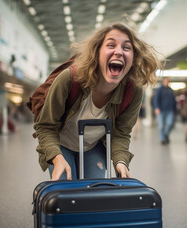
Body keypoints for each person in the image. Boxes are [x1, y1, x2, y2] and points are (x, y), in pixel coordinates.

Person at [34, 23, 161, 181]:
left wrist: (121, 162)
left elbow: (120, 134)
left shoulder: (133, 91)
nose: (119, 51)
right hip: (60, 144)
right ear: (97, 52)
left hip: (93, 146)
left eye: (127, 47)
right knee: (67, 192)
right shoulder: (69, 79)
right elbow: (45, 126)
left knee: (94, 192)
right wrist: (56, 158)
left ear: (133, 59)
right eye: (110, 45)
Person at [153, 77, 177, 145]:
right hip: (161, 110)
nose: (167, 82)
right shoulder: (159, 90)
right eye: (166, 81)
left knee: (170, 123)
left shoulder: (170, 90)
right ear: (163, 81)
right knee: (161, 126)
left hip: (170, 110)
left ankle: (166, 134)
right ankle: (162, 139)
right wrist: (156, 108)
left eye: (168, 81)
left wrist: (174, 110)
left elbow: (173, 101)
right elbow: (156, 99)